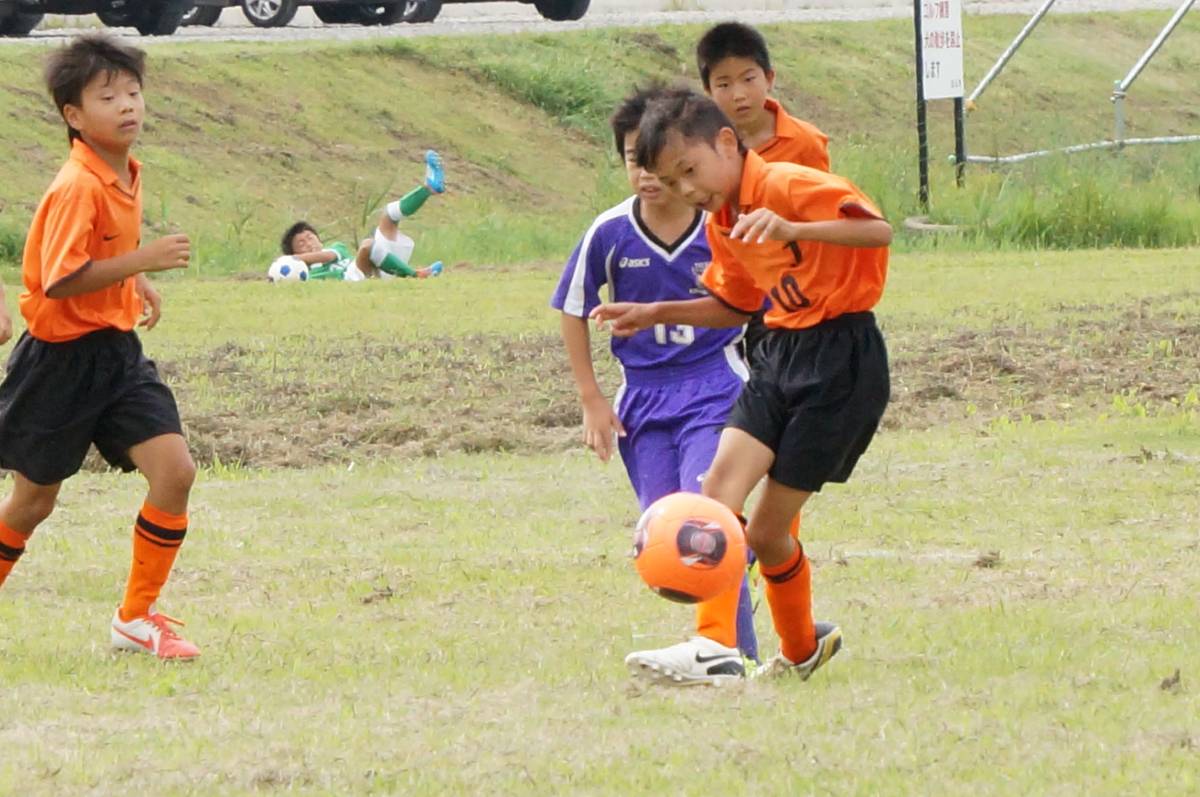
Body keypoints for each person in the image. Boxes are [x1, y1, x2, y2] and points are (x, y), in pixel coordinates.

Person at [592, 90, 892, 684]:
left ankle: (801, 648)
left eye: (689, 171)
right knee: (716, 495)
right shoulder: (724, 222)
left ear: (726, 143)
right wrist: (654, 313)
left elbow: (878, 231)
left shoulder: (786, 184)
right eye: (670, 183)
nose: (685, 190)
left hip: (840, 362)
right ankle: (714, 647)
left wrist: (793, 225)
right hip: (776, 353)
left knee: (767, 533)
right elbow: (736, 306)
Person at [0, 34, 200, 660]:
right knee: (33, 503)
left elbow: (102, 250)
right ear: (74, 115)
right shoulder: (77, 185)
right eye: (107, 97)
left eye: (133, 92)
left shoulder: (124, 171)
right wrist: (143, 261)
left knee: (175, 472)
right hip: (59, 363)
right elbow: (59, 279)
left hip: (117, 354)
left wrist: (134, 280)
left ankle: (136, 618)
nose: (127, 105)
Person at [550, 86, 760, 673]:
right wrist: (592, 399)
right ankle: (739, 578)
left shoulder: (718, 222)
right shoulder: (609, 232)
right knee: (667, 534)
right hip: (642, 399)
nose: (645, 174)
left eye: (655, 161)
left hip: (715, 386)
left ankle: (728, 655)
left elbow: (753, 303)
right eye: (632, 160)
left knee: (705, 519)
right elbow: (571, 308)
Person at [278, 150, 446, 281]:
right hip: (354, 280)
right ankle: (416, 275)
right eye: (301, 243)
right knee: (367, 246)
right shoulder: (305, 275)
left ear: (319, 240)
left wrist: (293, 258)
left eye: (310, 237)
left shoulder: (336, 248)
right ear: (293, 251)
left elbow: (327, 256)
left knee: (389, 214)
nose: (309, 243)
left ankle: (429, 188)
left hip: (376, 267)